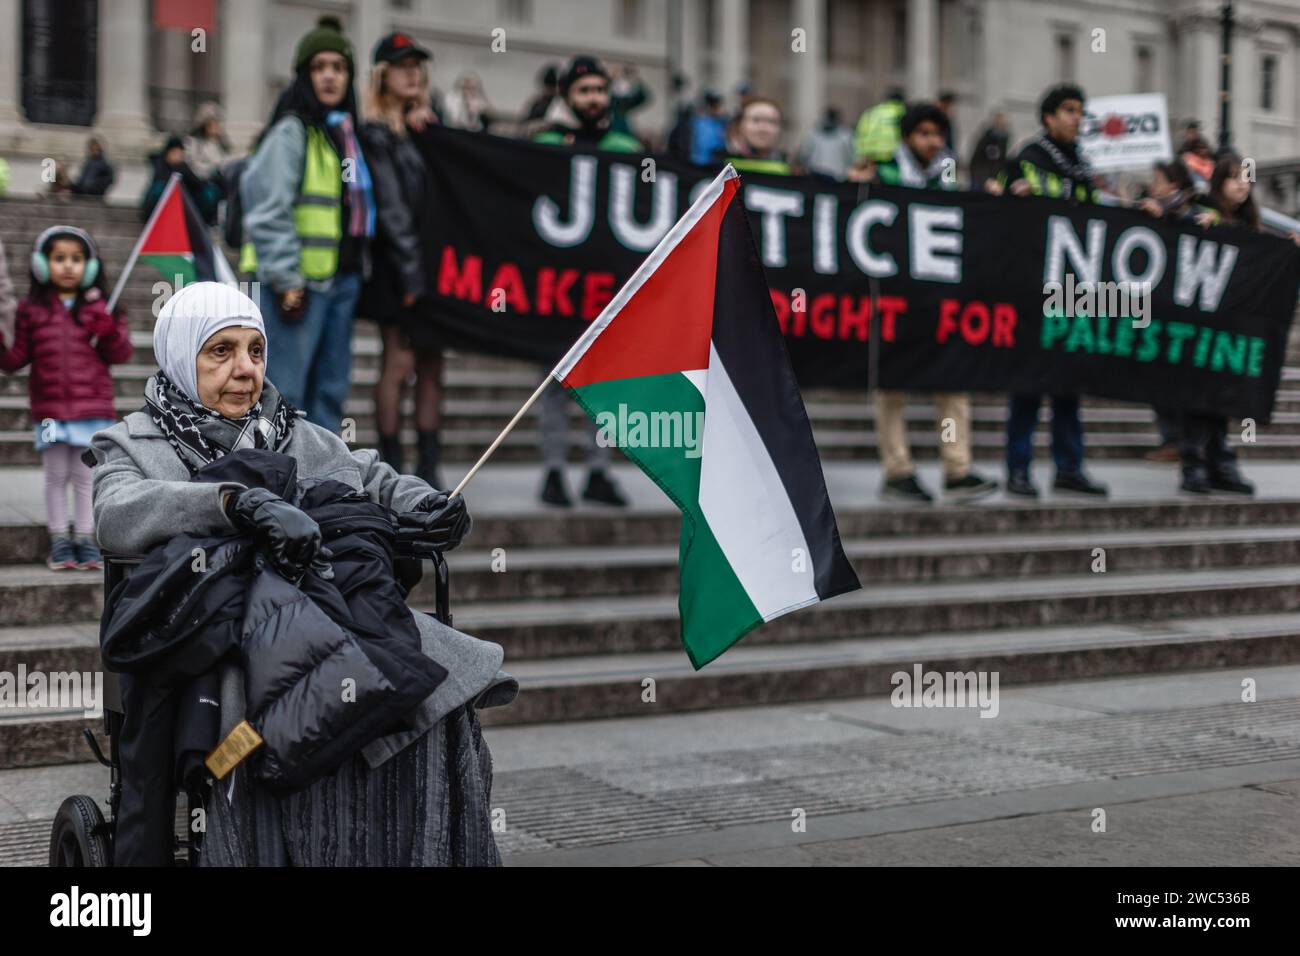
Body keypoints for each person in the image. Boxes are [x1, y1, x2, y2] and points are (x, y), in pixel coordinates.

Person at [86, 282, 510, 866]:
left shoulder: (296, 433)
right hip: (204, 640)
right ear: (183, 357)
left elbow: (375, 476)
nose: (244, 370)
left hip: (322, 620)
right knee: (261, 710)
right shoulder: (133, 443)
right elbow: (114, 515)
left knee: (439, 689)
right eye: (221, 352)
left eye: (255, 351)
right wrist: (232, 504)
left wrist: (428, 504)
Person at [238, 15, 374, 433]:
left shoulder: (345, 134)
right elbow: (266, 209)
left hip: (338, 282)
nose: (330, 76)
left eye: (339, 67)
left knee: (328, 394)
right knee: (285, 394)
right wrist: (286, 278)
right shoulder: (291, 132)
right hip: (296, 285)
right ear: (303, 76)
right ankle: (279, 488)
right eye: (319, 67)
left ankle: (321, 488)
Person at [870, 103, 997, 503]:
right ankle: (897, 470)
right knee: (892, 388)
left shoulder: (947, 175)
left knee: (952, 383)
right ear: (908, 137)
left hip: (939, 301)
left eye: (938, 134)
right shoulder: (882, 172)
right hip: (894, 300)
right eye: (924, 134)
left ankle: (956, 468)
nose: (933, 142)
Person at [991, 83, 1108, 498]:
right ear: (1048, 118)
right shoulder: (1028, 158)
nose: (1078, 118)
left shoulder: (1082, 165)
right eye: (1069, 110)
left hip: (1071, 293)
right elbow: (1002, 214)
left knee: (1068, 385)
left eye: (1080, 111)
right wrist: (1011, 196)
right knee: (1027, 385)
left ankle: (1068, 468)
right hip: (1032, 289)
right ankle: (1018, 469)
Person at [0, 226, 131, 570]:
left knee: (86, 476)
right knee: (54, 474)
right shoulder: (30, 310)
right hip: (47, 414)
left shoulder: (104, 307)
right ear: (42, 265)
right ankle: (59, 539)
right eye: (59, 258)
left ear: (89, 266)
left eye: (76, 259)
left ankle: (85, 539)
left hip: (93, 411)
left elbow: (120, 354)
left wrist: (109, 329)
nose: (68, 266)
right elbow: (14, 360)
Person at [359, 32, 445, 488]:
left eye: (417, 65)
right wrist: (413, 275)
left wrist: (430, 132)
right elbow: (392, 210)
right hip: (398, 266)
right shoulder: (375, 134)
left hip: (433, 264)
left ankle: (429, 469)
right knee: (399, 363)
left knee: (432, 363)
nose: (412, 72)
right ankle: (391, 468)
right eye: (401, 65)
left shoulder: (424, 127)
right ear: (382, 76)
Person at [1172, 154, 1261, 495]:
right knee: (1198, 398)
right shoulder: (1202, 213)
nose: (1243, 184)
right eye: (1235, 177)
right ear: (1219, 181)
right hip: (1199, 329)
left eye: (1247, 178)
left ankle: (1218, 462)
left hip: (1229, 330)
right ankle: (1195, 463)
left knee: (1219, 400)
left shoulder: (1248, 225)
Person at [1137, 159, 1200, 463]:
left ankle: (1182, 440)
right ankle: (1173, 439)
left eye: (1158, 180)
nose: (1153, 186)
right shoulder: (1153, 212)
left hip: (1185, 320)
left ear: (1173, 185)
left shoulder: (1195, 214)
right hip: (1159, 314)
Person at [142, 135, 217, 224]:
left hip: (181, 202)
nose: (178, 156)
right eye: (175, 153)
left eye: (180, 154)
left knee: (209, 193)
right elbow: (163, 182)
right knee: (159, 189)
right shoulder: (160, 163)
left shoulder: (183, 166)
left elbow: (196, 182)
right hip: (163, 200)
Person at [715, 95, 791, 174]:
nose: (763, 128)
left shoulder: (792, 170)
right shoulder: (717, 164)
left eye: (771, 121)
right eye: (756, 120)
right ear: (739, 125)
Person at [183, 100, 233, 206]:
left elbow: (226, 161)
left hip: (221, 182)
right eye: (213, 124)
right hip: (202, 184)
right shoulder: (193, 143)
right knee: (210, 195)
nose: (217, 127)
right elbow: (193, 165)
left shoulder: (221, 145)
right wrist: (213, 169)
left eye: (217, 123)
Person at [798, 107, 855, 181]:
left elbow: (853, 157)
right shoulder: (814, 134)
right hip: (816, 178)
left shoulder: (846, 135)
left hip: (839, 180)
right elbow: (804, 155)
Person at [854, 87, 906, 163]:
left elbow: (860, 134)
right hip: (892, 155)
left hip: (870, 155)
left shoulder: (871, 112)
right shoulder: (902, 111)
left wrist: (861, 154)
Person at [968, 112, 1009, 190]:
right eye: (1000, 124)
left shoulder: (1003, 141)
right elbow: (975, 163)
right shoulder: (985, 140)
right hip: (980, 183)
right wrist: (984, 181)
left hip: (994, 183)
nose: (1002, 127)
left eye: (1004, 125)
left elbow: (1001, 163)